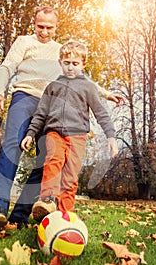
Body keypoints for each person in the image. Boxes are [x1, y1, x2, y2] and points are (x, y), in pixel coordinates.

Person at [0, 6, 123, 232]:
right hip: (24, 97)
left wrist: (106, 93)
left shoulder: (61, 52)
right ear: (34, 23)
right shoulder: (23, 42)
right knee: (12, 147)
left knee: (49, 159)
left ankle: (20, 216)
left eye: (49, 28)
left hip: (51, 105)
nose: (44, 32)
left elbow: (82, 79)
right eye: (40, 26)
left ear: (56, 27)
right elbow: (6, 67)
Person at [20, 40, 118, 222]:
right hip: (54, 133)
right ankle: (47, 200)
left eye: (75, 64)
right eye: (66, 63)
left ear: (83, 64)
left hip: (77, 136)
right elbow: (40, 114)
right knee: (53, 161)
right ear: (60, 63)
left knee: (70, 177)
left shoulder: (88, 87)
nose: (70, 68)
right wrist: (30, 133)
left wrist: (111, 136)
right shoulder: (52, 87)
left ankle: (64, 215)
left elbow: (101, 113)